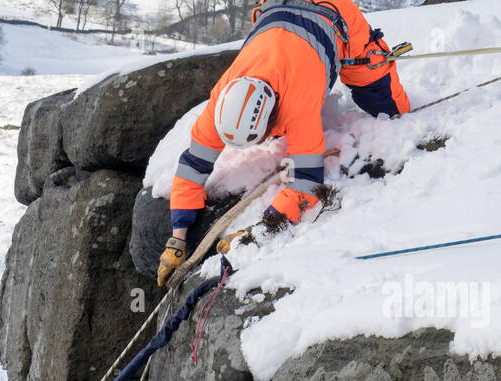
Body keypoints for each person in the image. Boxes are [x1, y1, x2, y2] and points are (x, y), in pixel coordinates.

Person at [158, 0, 411, 285]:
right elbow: (193, 164)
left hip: (333, 11)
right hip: (277, 7)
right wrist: (176, 238)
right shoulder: (223, 100)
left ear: (272, 114)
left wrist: (262, 229)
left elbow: (307, 183)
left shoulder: (298, 105)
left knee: (386, 105)